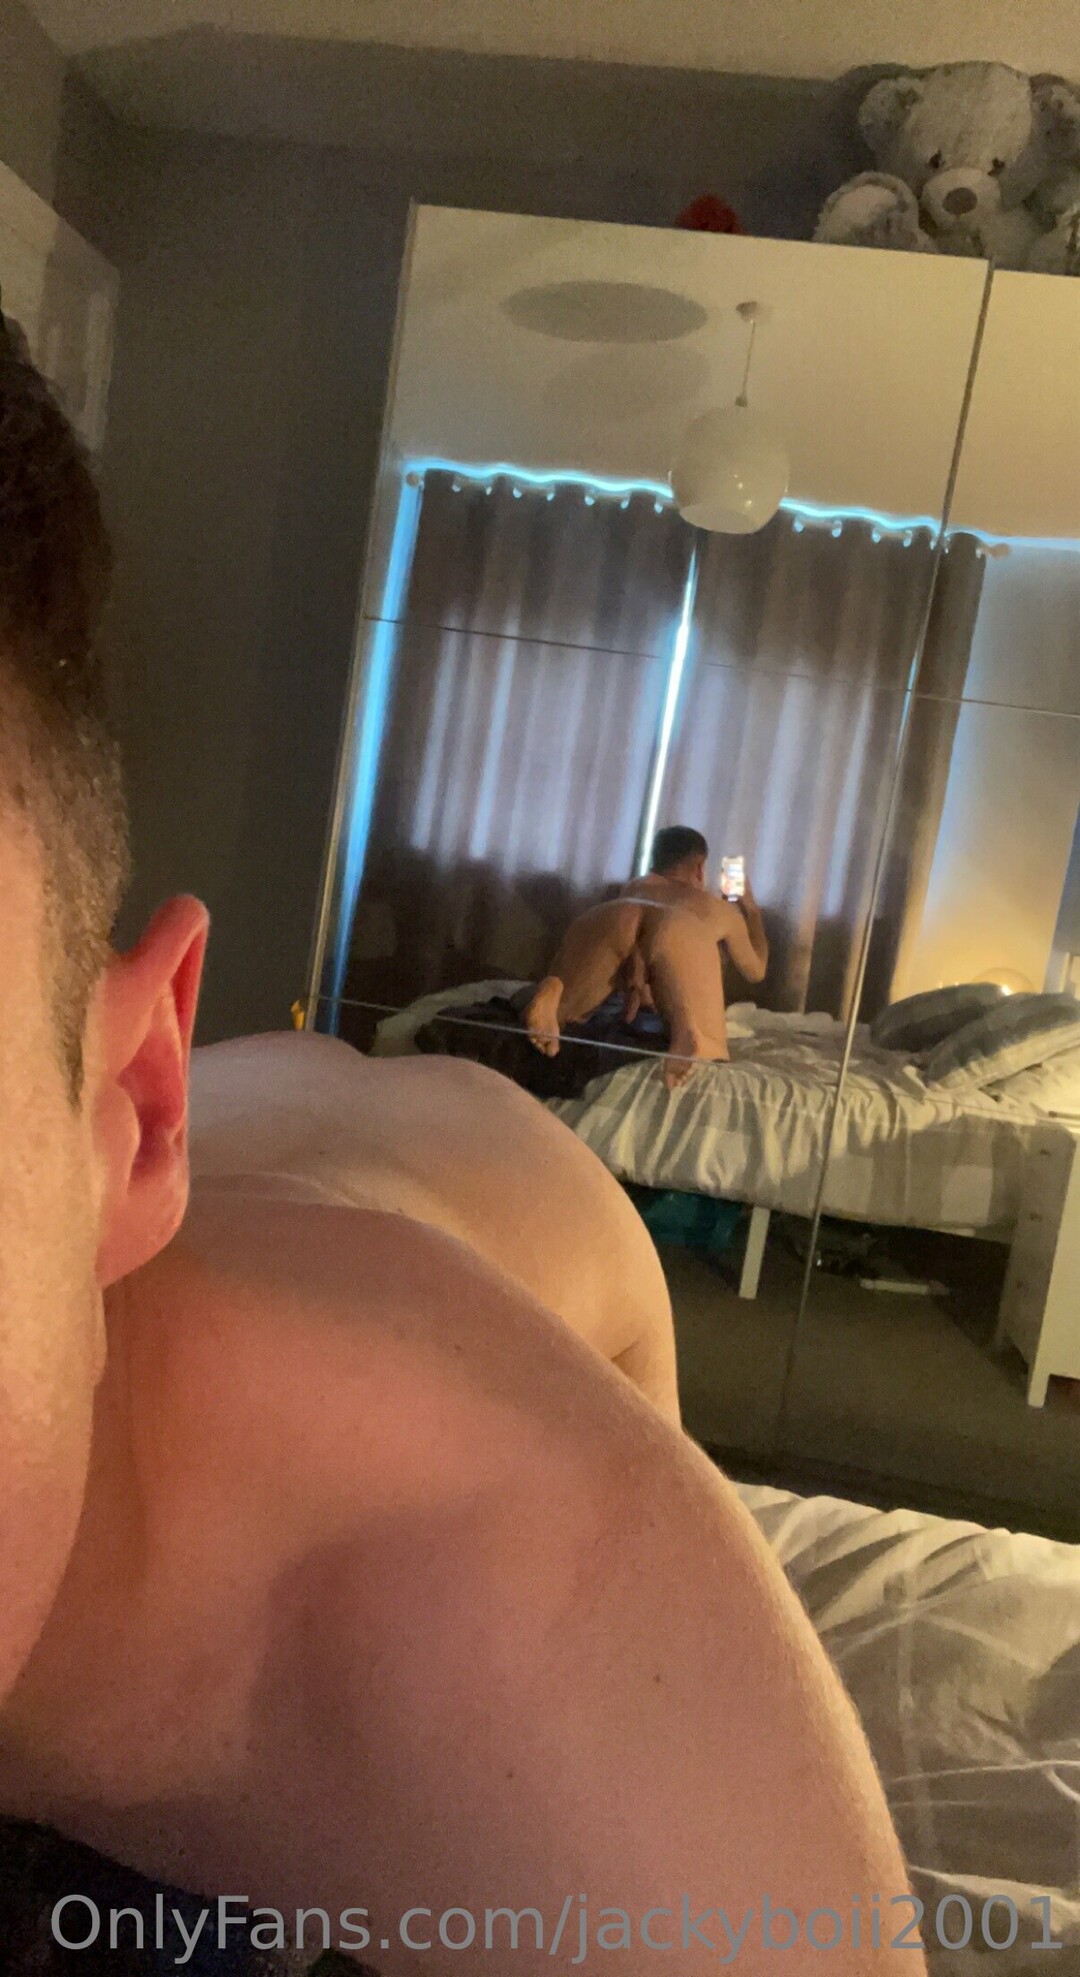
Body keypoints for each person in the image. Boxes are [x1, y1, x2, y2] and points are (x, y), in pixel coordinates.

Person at [0, 326, 924, 1974]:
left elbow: (708, 1030)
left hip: (518, 1211)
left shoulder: (514, 1609)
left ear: (126, 1118)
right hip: (331, 1108)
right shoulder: (672, 913)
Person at [524, 826, 768, 1088]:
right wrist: (752, 911)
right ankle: (687, 1027)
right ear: (699, 867)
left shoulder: (632, 890)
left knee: (563, 1012)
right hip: (667, 979)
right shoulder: (718, 909)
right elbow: (756, 970)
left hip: (616, 982)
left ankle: (553, 990)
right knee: (711, 1046)